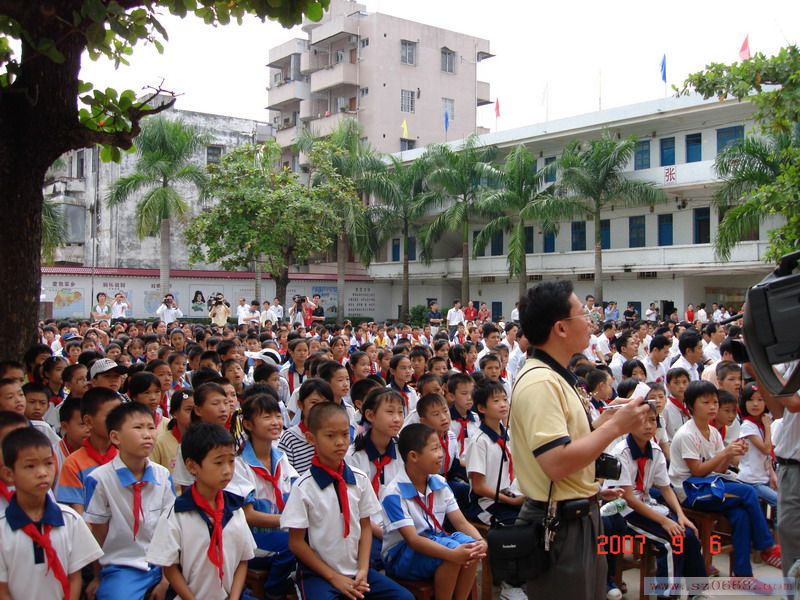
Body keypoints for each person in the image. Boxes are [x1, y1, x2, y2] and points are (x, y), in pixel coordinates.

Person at [510, 280, 649, 599]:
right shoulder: (541, 382)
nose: (590, 322)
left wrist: (606, 420)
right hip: (560, 523)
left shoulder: (557, 376)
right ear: (560, 327)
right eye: (583, 315)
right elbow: (556, 462)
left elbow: (570, 440)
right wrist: (615, 429)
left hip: (578, 514)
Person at [280, 402, 413, 599]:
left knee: (404, 597)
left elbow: (365, 527)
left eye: (344, 434)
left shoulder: (359, 479)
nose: (340, 442)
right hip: (317, 574)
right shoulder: (303, 487)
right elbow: (296, 542)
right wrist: (334, 578)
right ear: (311, 438)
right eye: (330, 436)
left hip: (356, 569)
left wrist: (363, 569)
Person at [668, 381, 781, 578]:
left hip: (709, 486)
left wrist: (731, 454)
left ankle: (743, 575)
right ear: (691, 406)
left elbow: (719, 469)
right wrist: (725, 453)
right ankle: (766, 546)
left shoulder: (713, 433)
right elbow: (697, 472)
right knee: (747, 491)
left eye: (715, 402)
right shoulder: (687, 434)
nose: (712, 407)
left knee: (741, 515)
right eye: (706, 402)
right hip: (690, 492)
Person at [146, 423, 257, 600]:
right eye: (218, 462)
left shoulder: (235, 509)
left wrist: (234, 597)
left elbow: (243, 559)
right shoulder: (176, 514)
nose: (227, 470)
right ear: (192, 466)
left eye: (231, 461)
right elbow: (170, 567)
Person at [381, 423, 486, 600]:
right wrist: (452, 554)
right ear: (413, 456)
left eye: (440, 447)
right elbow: (413, 540)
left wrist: (480, 541)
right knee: (451, 554)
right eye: (434, 449)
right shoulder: (394, 493)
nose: (441, 454)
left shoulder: (439, 482)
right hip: (401, 555)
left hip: (435, 541)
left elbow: (460, 522)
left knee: (472, 548)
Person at [83, 403, 174, 600]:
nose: (148, 434)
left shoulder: (163, 475)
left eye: (151, 427)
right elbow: (98, 533)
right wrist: (98, 576)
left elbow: (170, 528)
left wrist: (167, 578)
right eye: (138, 427)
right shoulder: (100, 479)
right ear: (115, 437)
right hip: (123, 565)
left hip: (165, 563)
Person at [0, 427, 103, 599]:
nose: (42, 473)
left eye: (48, 463)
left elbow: (74, 578)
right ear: (9, 474)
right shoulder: (3, 528)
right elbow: (2, 590)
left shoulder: (70, 519)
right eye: (30, 466)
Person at [56, 387, 122, 512]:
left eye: (120, 415)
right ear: (88, 421)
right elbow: (78, 513)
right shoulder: (73, 464)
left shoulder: (126, 456)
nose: (118, 421)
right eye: (111, 415)